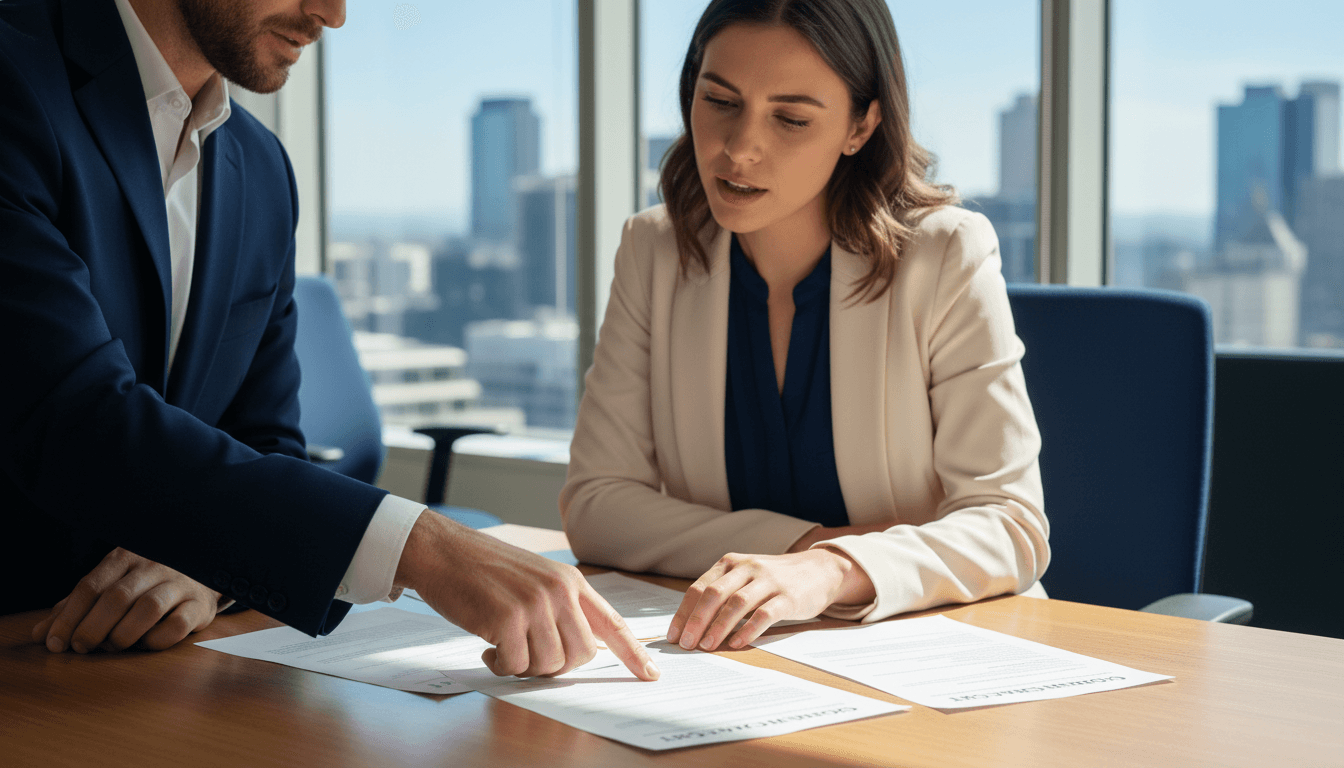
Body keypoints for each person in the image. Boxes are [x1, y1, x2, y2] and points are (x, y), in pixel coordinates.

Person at [0, 0, 657, 682]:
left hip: (146, 669)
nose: (332, 15)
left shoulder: (260, 169)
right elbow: (68, 412)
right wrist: (419, 546)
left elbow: (268, 440)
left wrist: (209, 570)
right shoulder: (15, 80)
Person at [560, 0, 1050, 653]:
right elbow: (596, 505)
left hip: (935, 651)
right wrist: (802, 548)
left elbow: (1010, 525)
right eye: (720, 102)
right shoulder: (654, 250)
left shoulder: (945, 255)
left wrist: (832, 572)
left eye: (790, 118)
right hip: (731, 656)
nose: (739, 149)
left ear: (860, 125)